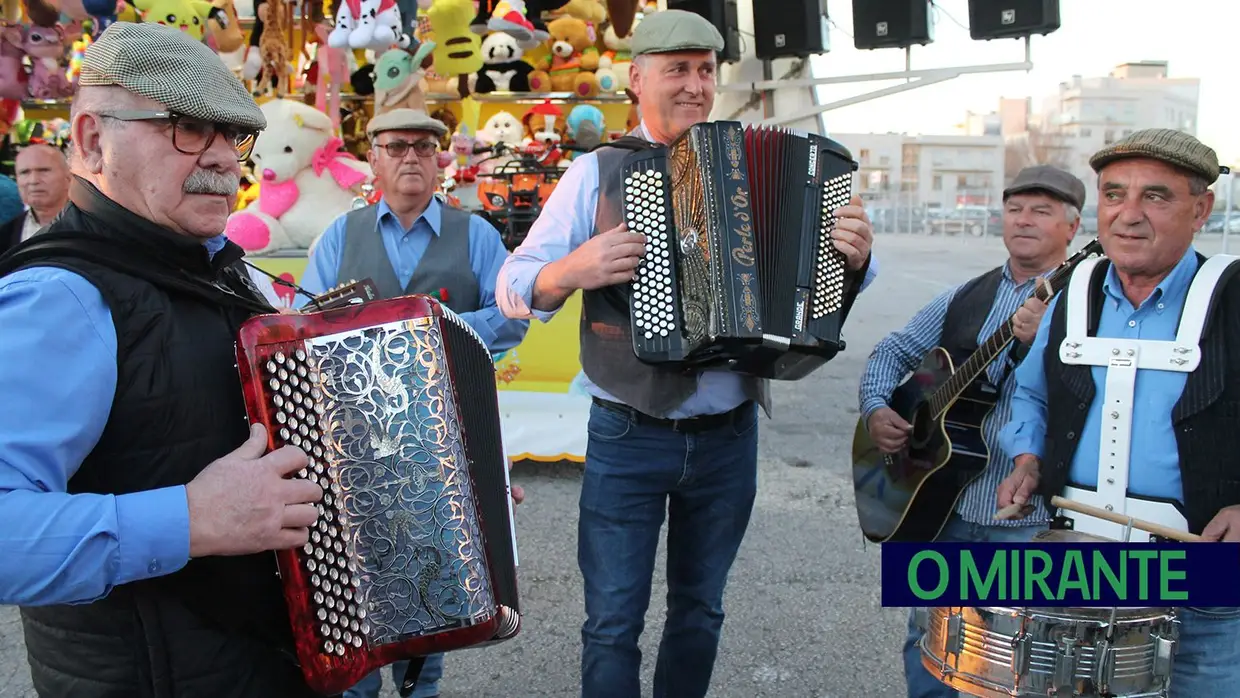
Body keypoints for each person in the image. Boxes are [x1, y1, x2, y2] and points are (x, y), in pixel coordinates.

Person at [496, 10, 877, 698]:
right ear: (636, 79)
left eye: (706, 69)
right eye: (678, 69)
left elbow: (822, 281)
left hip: (729, 438)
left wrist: (855, 256)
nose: (696, 85)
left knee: (701, 612)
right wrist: (569, 270)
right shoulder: (599, 172)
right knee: (612, 622)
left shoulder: (771, 165)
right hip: (628, 434)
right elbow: (514, 287)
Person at [0, 22, 333, 698]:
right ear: (93, 139)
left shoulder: (225, 272)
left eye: (231, 135)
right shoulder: (56, 297)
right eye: (185, 128)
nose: (221, 159)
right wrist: (191, 518)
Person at [998, 129, 1240, 695]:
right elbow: (1032, 393)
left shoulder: (1232, 295)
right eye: (1113, 195)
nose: (1128, 215)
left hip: (1201, 571)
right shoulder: (1069, 293)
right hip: (1073, 558)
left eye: (1155, 196)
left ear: (1201, 208)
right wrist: (1029, 455)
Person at [301, 108, 528, 698]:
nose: (410, 157)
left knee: (437, 575)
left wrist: (427, 330)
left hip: (447, 435)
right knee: (355, 574)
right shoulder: (337, 237)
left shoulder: (476, 233)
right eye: (396, 146)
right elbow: (302, 325)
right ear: (371, 159)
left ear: (439, 160)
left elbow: (512, 317)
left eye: (424, 147)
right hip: (351, 436)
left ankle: (419, 684)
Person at [858, 164, 1085, 698]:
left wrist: (1038, 349)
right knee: (931, 643)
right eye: (1014, 208)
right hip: (943, 506)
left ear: (1073, 228)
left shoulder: (1085, 302)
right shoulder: (969, 294)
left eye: (1041, 211)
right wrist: (875, 409)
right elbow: (893, 349)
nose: (1023, 220)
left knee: (1018, 659)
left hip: (1026, 519)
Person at [0, 143, 71, 253]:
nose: (33, 181)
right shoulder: (6, 233)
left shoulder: (96, 226)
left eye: (44, 170)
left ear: (68, 177)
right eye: (24, 172)